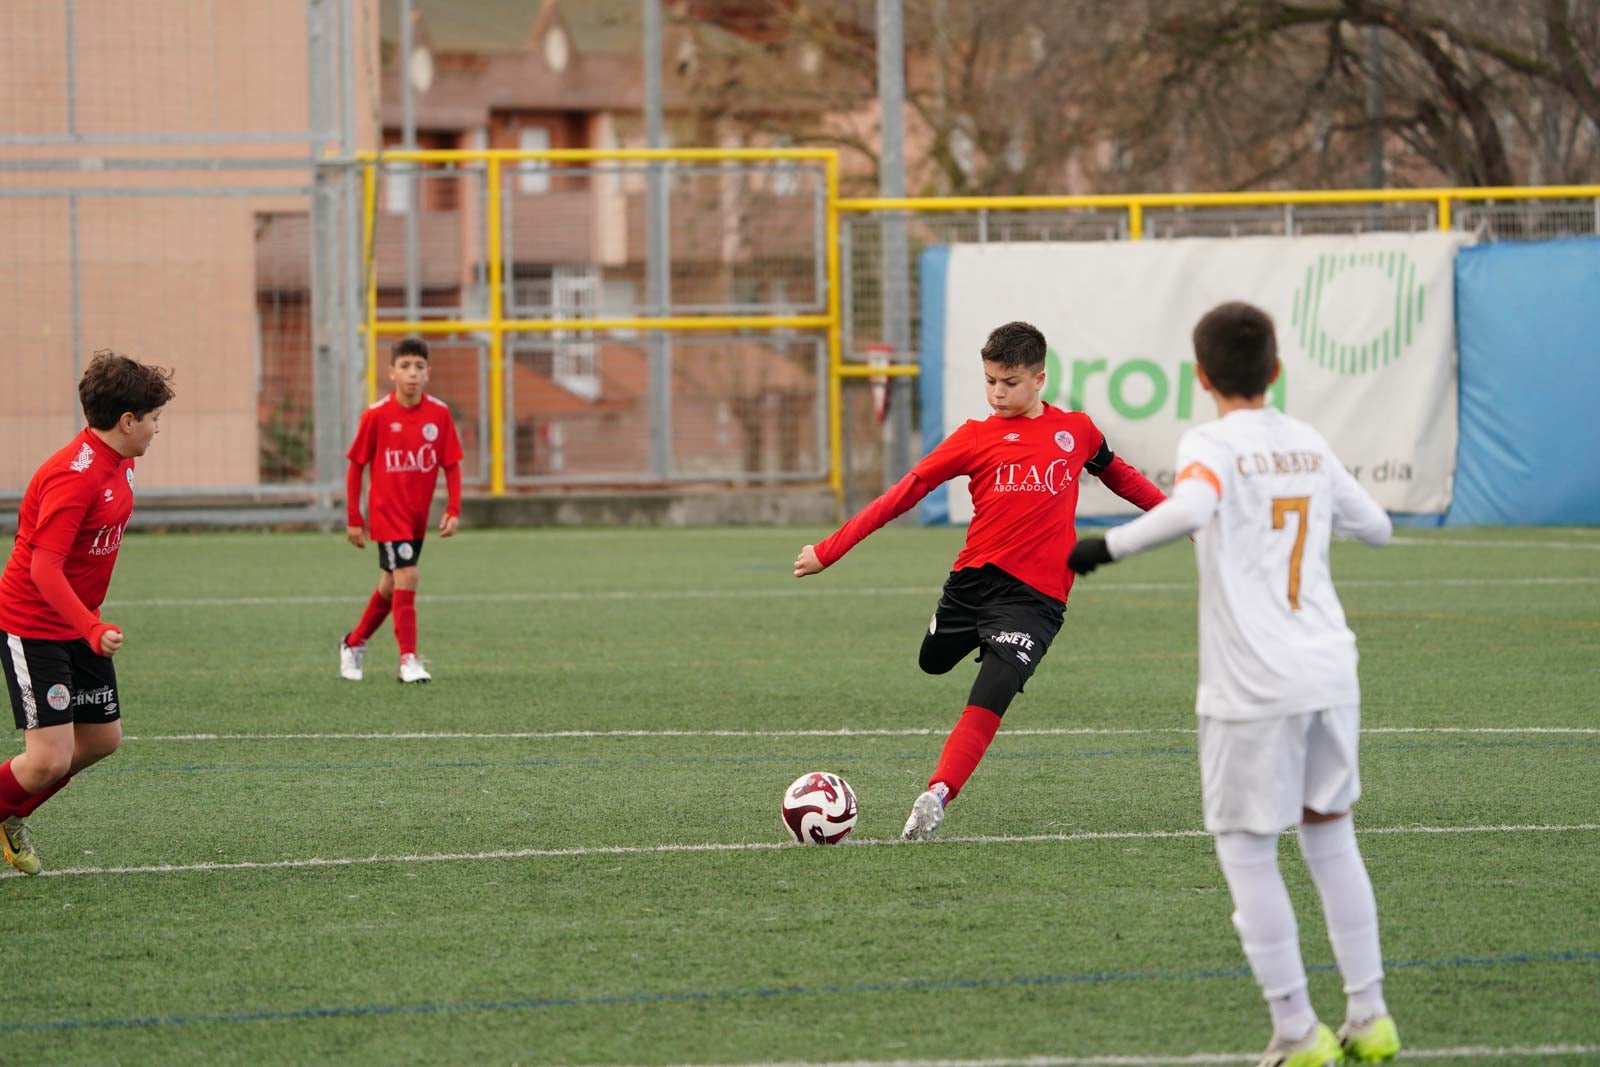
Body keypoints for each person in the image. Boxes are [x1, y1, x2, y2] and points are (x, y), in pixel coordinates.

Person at [1068, 302, 1399, 1067]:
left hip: (1254, 685)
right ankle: (1370, 1015)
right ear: (1276, 371)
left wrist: (1103, 547)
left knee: (1248, 851)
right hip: (1330, 669)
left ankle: (1294, 1029)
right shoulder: (1309, 442)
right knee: (1331, 834)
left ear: (1201, 376)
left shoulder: (1211, 442)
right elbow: (1378, 527)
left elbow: (1193, 506)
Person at [794, 321, 1166, 841]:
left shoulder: (1076, 432)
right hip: (971, 585)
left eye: (1009, 382)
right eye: (990, 380)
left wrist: (1177, 514)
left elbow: (1119, 474)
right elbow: (903, 493)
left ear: (1039, 379)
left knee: (990, 694)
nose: (997, 392)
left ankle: (936, 795)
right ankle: (970, 638)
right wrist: (828, 551)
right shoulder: (974, 437)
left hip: (1036, 600)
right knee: (931, 661)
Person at [0, 350, 175, 876]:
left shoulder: (120, 461)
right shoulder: (73, 476)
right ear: (127, 421)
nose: (156, 429)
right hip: (36, 626)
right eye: (153, 419)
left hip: (78, 621)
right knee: (48, 759)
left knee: (101, 739)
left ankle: (8, 812)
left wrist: (88, 620)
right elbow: (44, 569)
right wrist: (91, 627)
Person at [339, 337, 463, 684]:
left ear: (428, 373)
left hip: (417, 517)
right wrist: (354, 517)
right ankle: (408, 659)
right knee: (408, 575)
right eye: (405, 366)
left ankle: (353, 643)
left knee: (392, 584)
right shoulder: (377, 416)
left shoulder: (438, 414)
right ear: (391, 372)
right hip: (386, 513)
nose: (412, 373)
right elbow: (356, 466)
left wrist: (453, 508)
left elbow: (451, 465)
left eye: (419, 367)